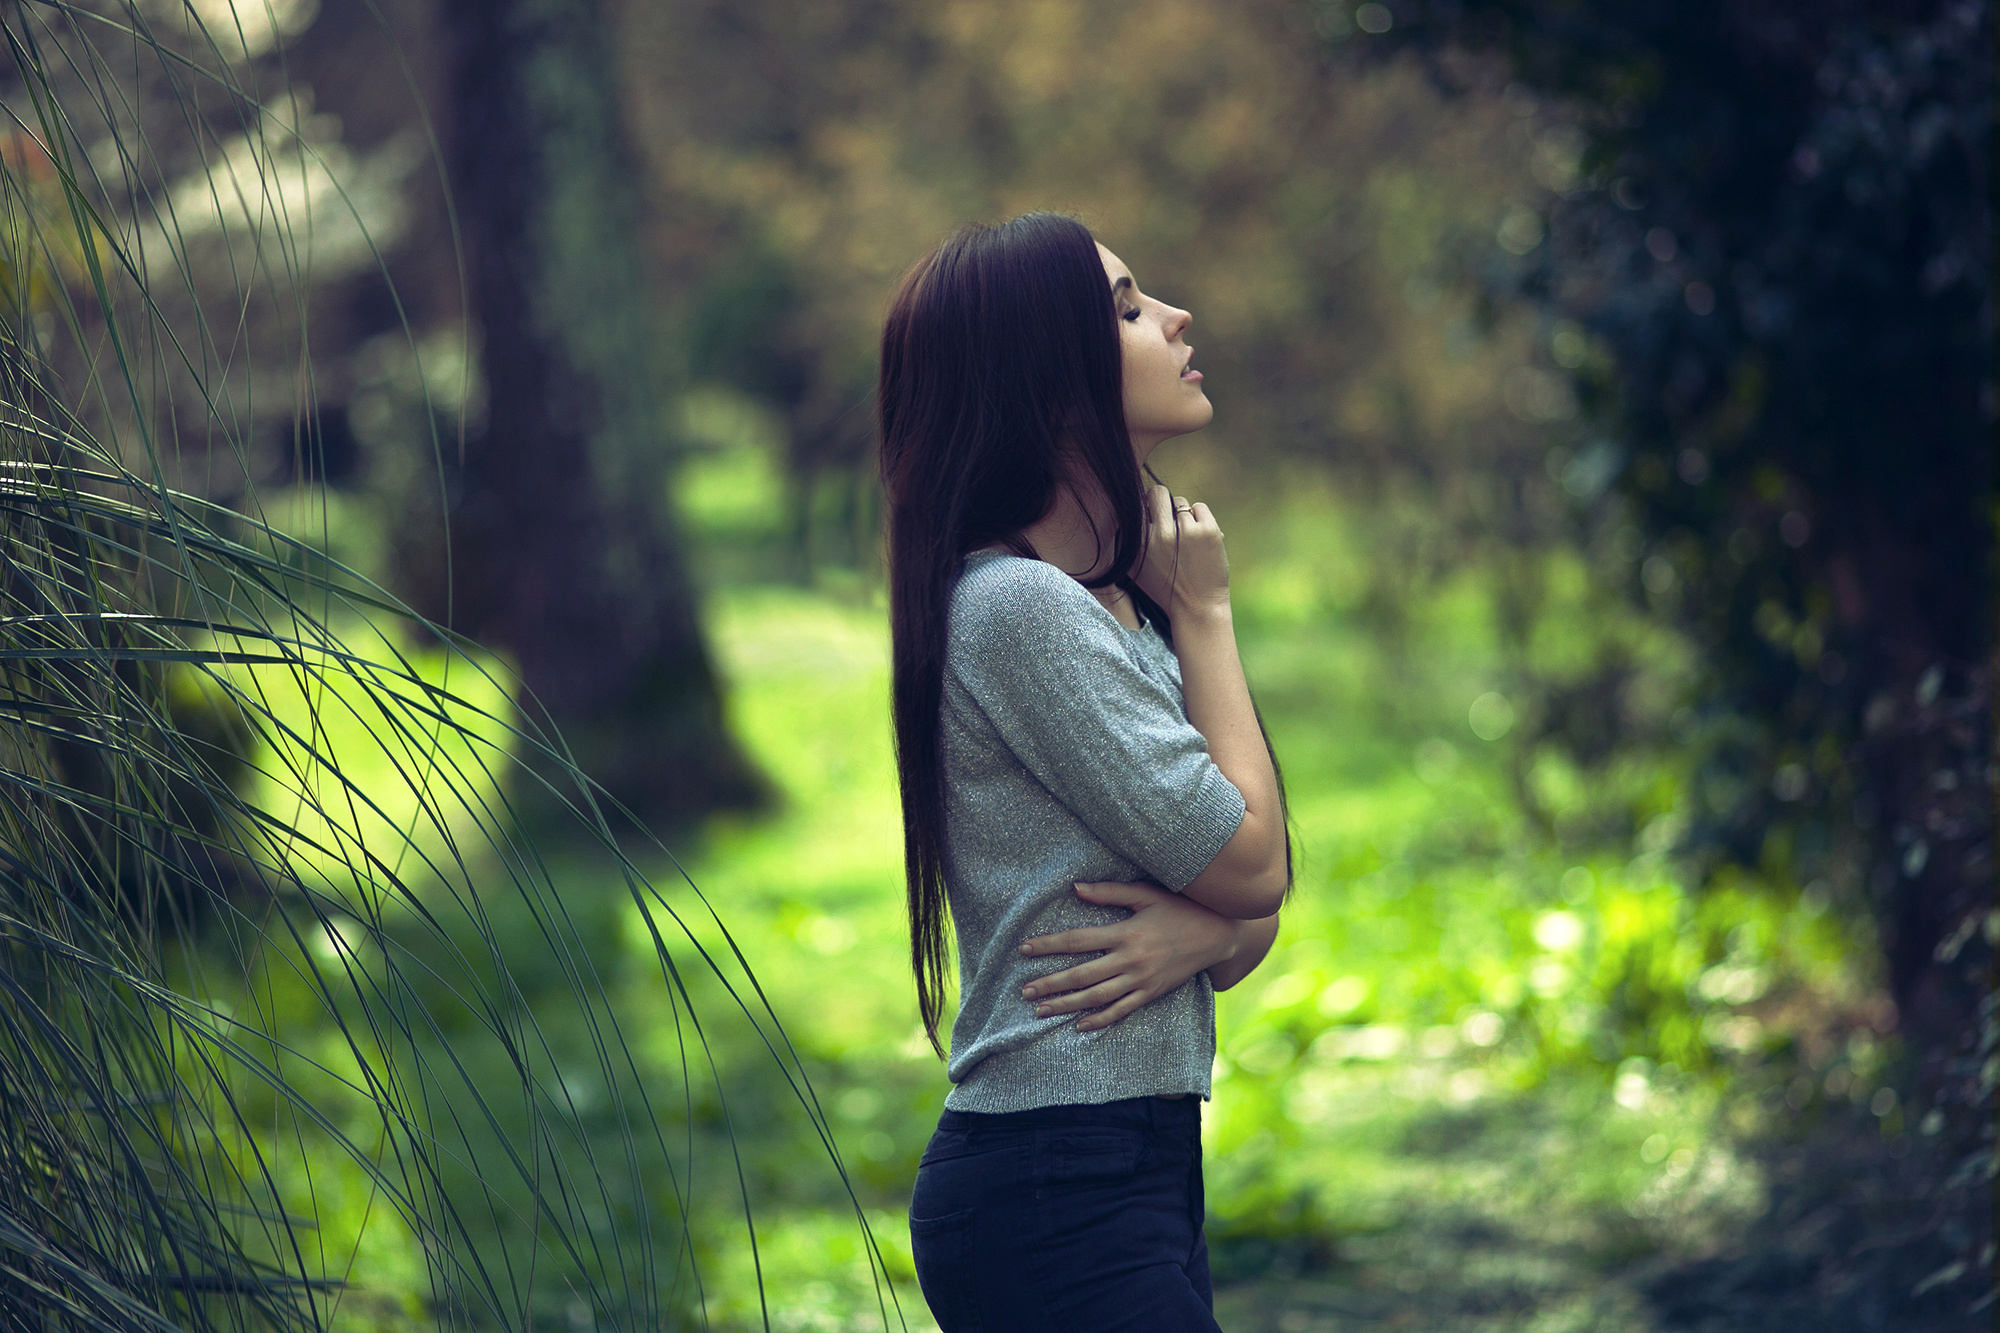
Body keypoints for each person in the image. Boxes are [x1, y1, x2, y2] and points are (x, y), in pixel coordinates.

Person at [879, 211, 1289, 1331]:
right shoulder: (1019, 609)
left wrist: (1206, 931)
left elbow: (1248, 902)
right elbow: (1253, 865)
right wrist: (1207, 616)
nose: (1176, 318)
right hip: (1052, 1187)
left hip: (1133, 1168)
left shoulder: (1110, 607)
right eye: (1127, 309)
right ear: (1049, 384)